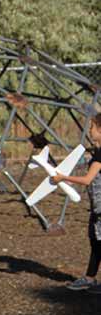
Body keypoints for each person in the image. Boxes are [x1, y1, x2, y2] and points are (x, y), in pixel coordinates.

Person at [53, 112, 101, 292]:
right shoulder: (96, 153)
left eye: (92, 127)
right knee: (95, 243)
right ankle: (90, 278)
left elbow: (88, 180)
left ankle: (89, 278)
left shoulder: (100, 156)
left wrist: (65, 178)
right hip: (97, 209)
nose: (89, 130)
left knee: (98, 243)